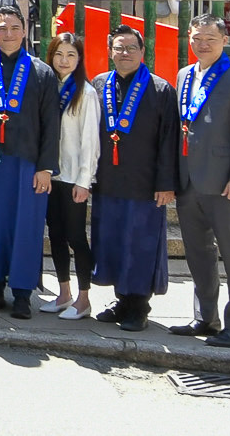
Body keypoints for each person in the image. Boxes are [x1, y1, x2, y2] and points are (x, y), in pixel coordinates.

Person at [170, 15, 230, 349]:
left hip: (225, 184)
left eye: (210, 38)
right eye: (196, 38)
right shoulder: (183, 75)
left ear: (225, 40)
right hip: (189, 181)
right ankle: (205, 317)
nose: (202, 44)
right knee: (198, 254)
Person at [0, 5, 60, 319]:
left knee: (26, 229)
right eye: (2, 28)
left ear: (24, 31)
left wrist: (46, 167)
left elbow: (51, 123)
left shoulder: (41, 72)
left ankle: (23, 293)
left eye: (14, 28)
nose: (8, 34)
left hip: (27, 164)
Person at [88, 26, 179, 332]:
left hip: (145, 184)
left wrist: (166, 183)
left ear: (143, 52)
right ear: (110, 51)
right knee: (112, 242)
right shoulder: (99, 84)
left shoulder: (161, 89)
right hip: (108, 181)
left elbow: (169, 141)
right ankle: (121, 299)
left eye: (130, 48)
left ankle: (138, 305)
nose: (124, 53)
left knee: (139, 244)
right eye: (118, 48)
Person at [45, 31, 100, 319]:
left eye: (71, 55)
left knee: (76, 237)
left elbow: (90, 142)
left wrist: (84, 180)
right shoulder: (48, 86)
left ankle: (84, 298)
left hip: (73, 177)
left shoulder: (86, 93)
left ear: (79, 59)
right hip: (50, 176)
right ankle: (63, 292)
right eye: (58, 54)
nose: (64, 60)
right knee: (55, 235)